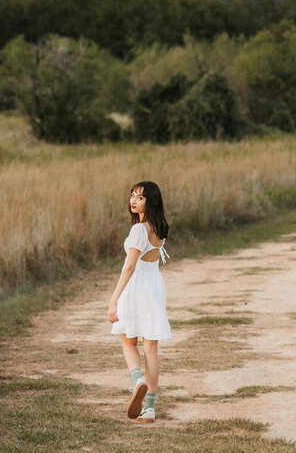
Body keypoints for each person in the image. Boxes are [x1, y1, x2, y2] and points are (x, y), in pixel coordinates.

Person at [107, 180, 171, 422]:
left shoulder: (139, 229)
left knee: (128, 341)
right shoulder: (160, 226)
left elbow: (130, 266)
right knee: (151, 349)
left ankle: (138, 381)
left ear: (150, 201)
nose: (133, 200)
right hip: (154, 285)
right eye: (132, 195)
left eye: (140, 197)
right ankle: (150, 408)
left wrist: (114, 299)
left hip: (136, 288)